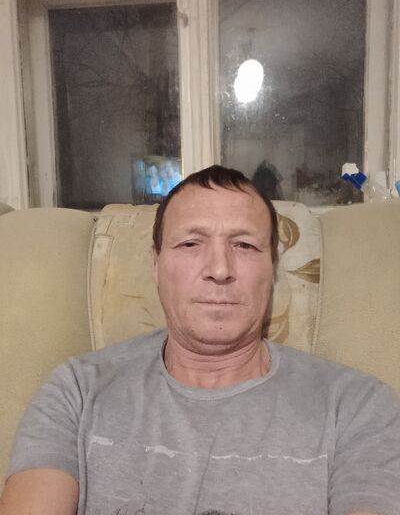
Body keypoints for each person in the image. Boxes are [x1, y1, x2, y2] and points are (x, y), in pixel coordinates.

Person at [1, 165, 400, 515]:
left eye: (244, 245)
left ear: (272, 269)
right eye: (191, 243)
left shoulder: (358, 408)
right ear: (156, 265)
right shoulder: (76, 391)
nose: (219, 269)